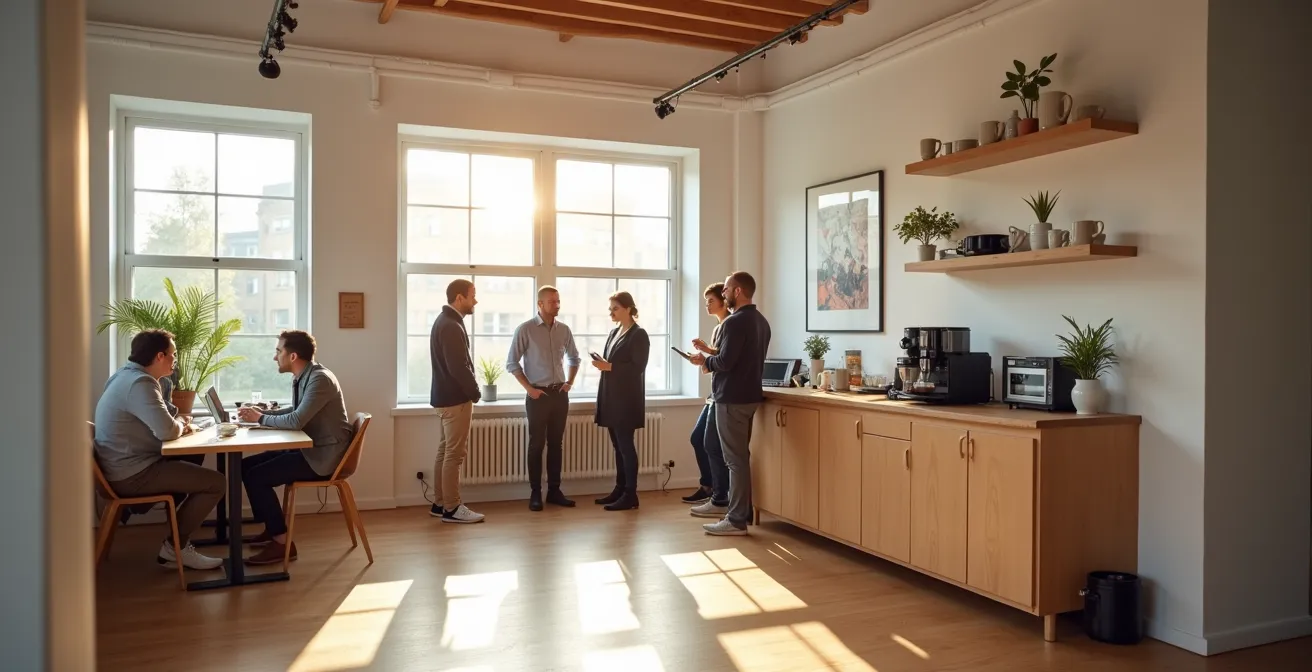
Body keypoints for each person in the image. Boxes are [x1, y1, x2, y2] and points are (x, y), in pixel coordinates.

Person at [93, 329, 226, 570]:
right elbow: (167, 432)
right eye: (173, 355)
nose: (175, 361)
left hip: (118, 467)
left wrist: (175, 416)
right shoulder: (141, 384)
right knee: (217, 483)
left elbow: (164, 422)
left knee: (195, 458)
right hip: (131, 475)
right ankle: (175, 548)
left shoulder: (124, 376)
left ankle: (177, 536)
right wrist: (183, 425)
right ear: (160, 356)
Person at [237, 330, 355, 565]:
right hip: (312, 449)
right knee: (246, 465)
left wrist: (260, 419)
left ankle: (282, 543)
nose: (275, 357)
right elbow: (295, 412)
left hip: (323, 457)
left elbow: (295, 421)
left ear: (293, 356)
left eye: (278, 351)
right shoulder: (305, 376)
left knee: (258, 477)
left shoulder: (320, 379)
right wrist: (260, 414)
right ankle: (273, 529)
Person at [688, 271, 771, 536]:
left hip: (731, 398)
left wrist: (705, 361)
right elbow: (738, 358)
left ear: (737, 291)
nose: (723, 293)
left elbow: (725, 362)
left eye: (726, 289)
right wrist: (712, 356)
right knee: (740, 459)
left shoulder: (733, 323)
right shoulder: (761, 321)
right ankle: (740, 513)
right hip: (749, 397)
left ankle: (735, 520)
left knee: (735, 461)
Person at [506, 285, 580, 511]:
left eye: (558, 301)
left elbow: (574, 358)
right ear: (540, 304)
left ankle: (555, 491)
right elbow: (511, 363)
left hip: (559, 395)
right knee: (536, 445)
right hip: (538, 395)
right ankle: (535, 493)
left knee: (556, 444)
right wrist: (529, 389)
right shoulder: (525, 329)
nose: (557, 305)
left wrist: (569, 383)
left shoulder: (564, 330)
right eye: (552, 302)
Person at [428, 279, 485, 524]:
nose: (476, 301)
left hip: (444, 398)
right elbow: (458, 366)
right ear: (459, 298)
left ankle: (440, 503)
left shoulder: (445, 321)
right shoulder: (451, 325)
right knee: (454, 454)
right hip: (455, 400)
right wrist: (474, 391)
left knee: (445, 451)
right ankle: (451, 508)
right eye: (473, 295)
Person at [591, 291, 650, 512]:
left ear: (628, 309)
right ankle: (620, 489)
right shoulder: (614, 332)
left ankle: (630, 494)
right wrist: (605, 364)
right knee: (617, 446)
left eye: (615, 308)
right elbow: (612, 363)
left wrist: (610, 367)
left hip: (626, 400)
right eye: (610, 308)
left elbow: (637, 368)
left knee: (626, 446)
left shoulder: (639, 334)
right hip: (611, 397)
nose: (611, 312)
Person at [686, 282, 733, 518]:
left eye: (711, 301)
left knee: (710, 444)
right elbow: (714, 365)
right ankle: (710, 486)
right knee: (698, 438)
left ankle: (717, 492)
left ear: (724, 301)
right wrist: (702, 358)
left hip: (723, 395)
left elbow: (725, 360)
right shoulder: (718, 328)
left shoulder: (730, 325)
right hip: (714, 393)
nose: (707, 305)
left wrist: (707, 352)